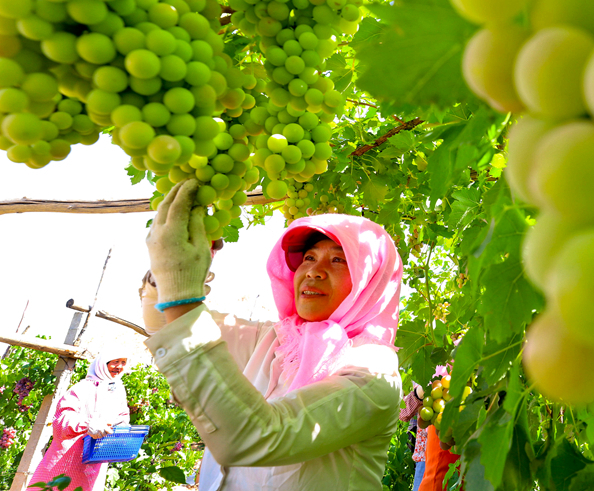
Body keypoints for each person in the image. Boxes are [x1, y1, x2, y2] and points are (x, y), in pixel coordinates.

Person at [140, 179, 403, 491]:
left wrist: (181, 293)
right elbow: (165, 323)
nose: (313, 270)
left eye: (338, 260)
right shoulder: (275, 339)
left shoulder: (373, 375)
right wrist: (164, 274)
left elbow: (260, 436)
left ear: (371, 281)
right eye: (308, 257)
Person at [28, 351, 131, 491]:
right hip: (65, 459)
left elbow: (122, 416)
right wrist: (88, 425)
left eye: (123, 362)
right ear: (102, 364)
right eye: (115, 361)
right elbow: (62, 420)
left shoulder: (118, 391)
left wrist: (122, 429)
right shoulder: (83, 388)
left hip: (94, 463)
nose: (119, 366)